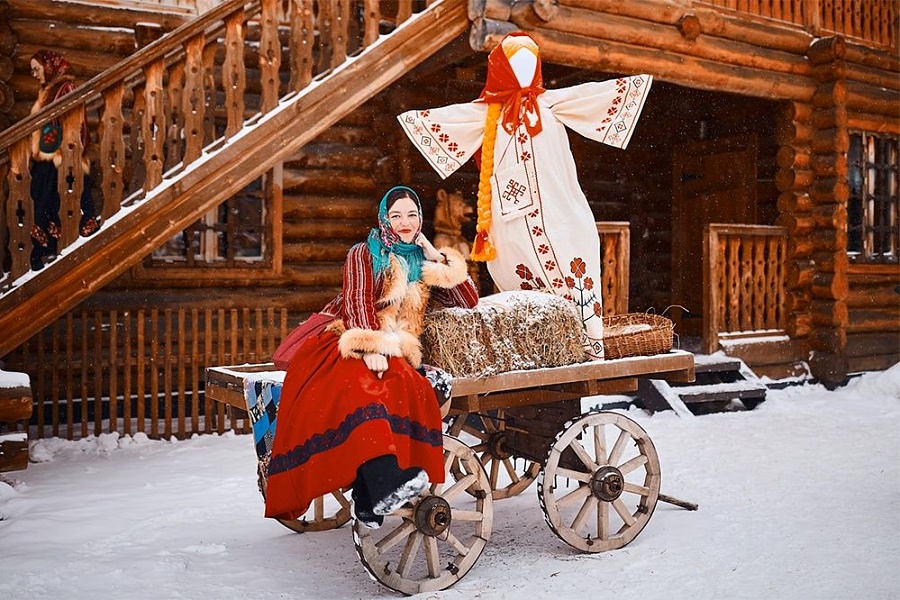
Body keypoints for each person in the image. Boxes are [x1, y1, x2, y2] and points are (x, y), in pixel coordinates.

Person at [397, 32, 653, 359]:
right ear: (502, 68)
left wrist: (633, 84)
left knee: (573, 258)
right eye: (516, 62)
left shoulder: (551, 104)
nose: (523, 69)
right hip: (511, 217)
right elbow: (451, 120)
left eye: (530, 62)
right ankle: (533, 347)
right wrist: (416, 120)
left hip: (558, 207)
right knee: (516, 276)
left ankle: (586, 342)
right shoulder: (489, 115)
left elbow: (593, 98)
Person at [263, 186, 479, 528]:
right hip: (345, 336)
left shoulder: (422, 261)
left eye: (411, 215)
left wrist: (438, 258)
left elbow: (468, 301)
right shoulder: (365, 253)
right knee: (364, 387)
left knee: (412, 386)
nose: (404, 223)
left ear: (420, 218)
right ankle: (382, 481)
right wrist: (371, 346)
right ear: (384, 218)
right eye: (396, 215)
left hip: (396, 347)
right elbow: (357, 301)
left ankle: (367, 496)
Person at [28, 49, 100, 271]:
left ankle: (50, 250)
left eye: (37, 69)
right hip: (49, 157)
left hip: (59, 157)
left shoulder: (65, 89)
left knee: (52, 202)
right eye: (32, 70)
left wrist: (49, 147)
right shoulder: (49, 90)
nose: (34, 74)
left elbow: (71, 124)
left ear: (49, 67)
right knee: (42, 202)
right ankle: (45, 250)